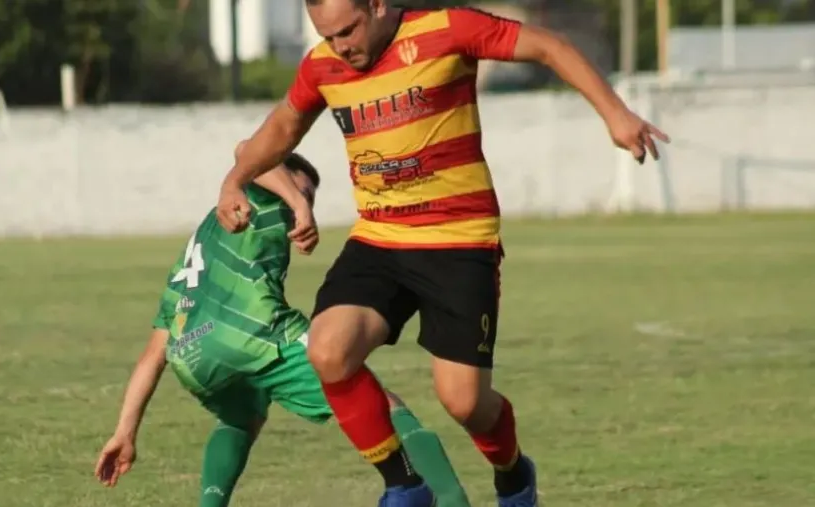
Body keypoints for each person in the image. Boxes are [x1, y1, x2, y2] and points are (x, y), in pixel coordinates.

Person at [214, 3, 671, 507]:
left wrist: (616, 113)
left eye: (348, 30)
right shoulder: (323, 65)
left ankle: (513, 474)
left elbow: (549, 46)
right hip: (380, 238)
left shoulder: (448, 28)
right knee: (327, 349)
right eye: (329, 35)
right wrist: (234, 180)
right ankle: (405, 485)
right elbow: (282, 127)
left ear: (380, 6)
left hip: (459, 240)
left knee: (464, 401)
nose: (341, 45)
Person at [93, 143, 472, 507]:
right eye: (302, 190)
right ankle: (451, 500)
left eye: (309, 197)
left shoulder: (199, 247)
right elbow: (247, 150)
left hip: (191, 357)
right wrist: (295, 201)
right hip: (257, 333)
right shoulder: (259, 197)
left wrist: (124, 432)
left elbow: (152, 355)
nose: (304, 203)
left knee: (242, 418)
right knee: (377, 400)